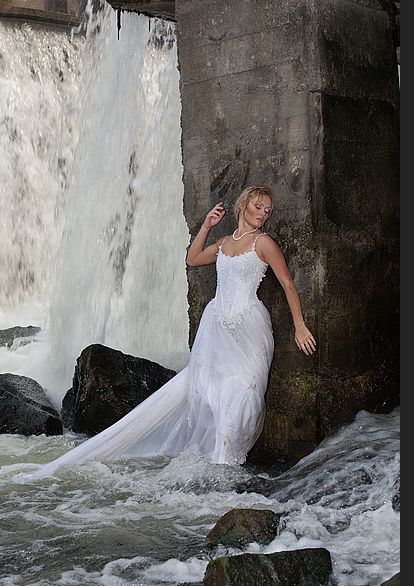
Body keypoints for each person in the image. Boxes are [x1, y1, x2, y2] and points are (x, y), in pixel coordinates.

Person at [26, 186, 315, 480]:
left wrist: (300, 325)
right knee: (208, 391)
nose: (264, 213)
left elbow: (288, 283)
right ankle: (217, 461)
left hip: (248, 325)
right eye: (259, 206)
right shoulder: (225, 243)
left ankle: (227, 460)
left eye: (268, 210)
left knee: (243, 390)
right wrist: (206, 225)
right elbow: (193, 259)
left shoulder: (263, 243)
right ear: (243, 206)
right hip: (215, 327)